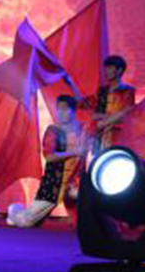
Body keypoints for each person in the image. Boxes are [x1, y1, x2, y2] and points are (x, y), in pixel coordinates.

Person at [7, 95, 87, 228]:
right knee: (27, 222)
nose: (61, 113)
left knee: (86, 220)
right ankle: (15, 211)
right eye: (59, 109)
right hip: (54, 183)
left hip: (74, 184)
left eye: (65, 109)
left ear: (73, 110)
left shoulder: (83, 129)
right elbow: (49, 157)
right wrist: (74, 152)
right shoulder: (53, 131)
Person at [66, 55, 136, 152]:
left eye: (110, 68)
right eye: (106, 68)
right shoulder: (102, 92)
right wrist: (71, 83)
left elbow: (126, 113)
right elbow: (85, 103)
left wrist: (103, 121)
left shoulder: (127, 92)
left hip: (117, 135)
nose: (106, 71)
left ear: (119, 70)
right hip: (100, 136)